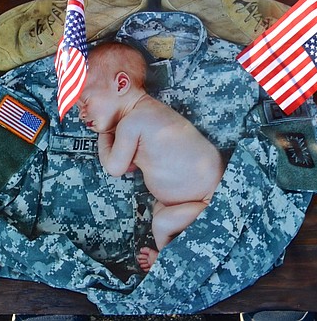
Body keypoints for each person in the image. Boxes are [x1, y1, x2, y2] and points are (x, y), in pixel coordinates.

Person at [78, 41, 226, 271]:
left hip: (209, 203)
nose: (81, 113)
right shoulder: (150, 110)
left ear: (121, 84)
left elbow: (114, 168)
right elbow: (133, 163)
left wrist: (104, 135)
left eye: (85, 101)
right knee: (160, 211)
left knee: (162, 222)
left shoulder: (131, 124)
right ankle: (183, 248)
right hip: (201, 195)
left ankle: (169, 263)